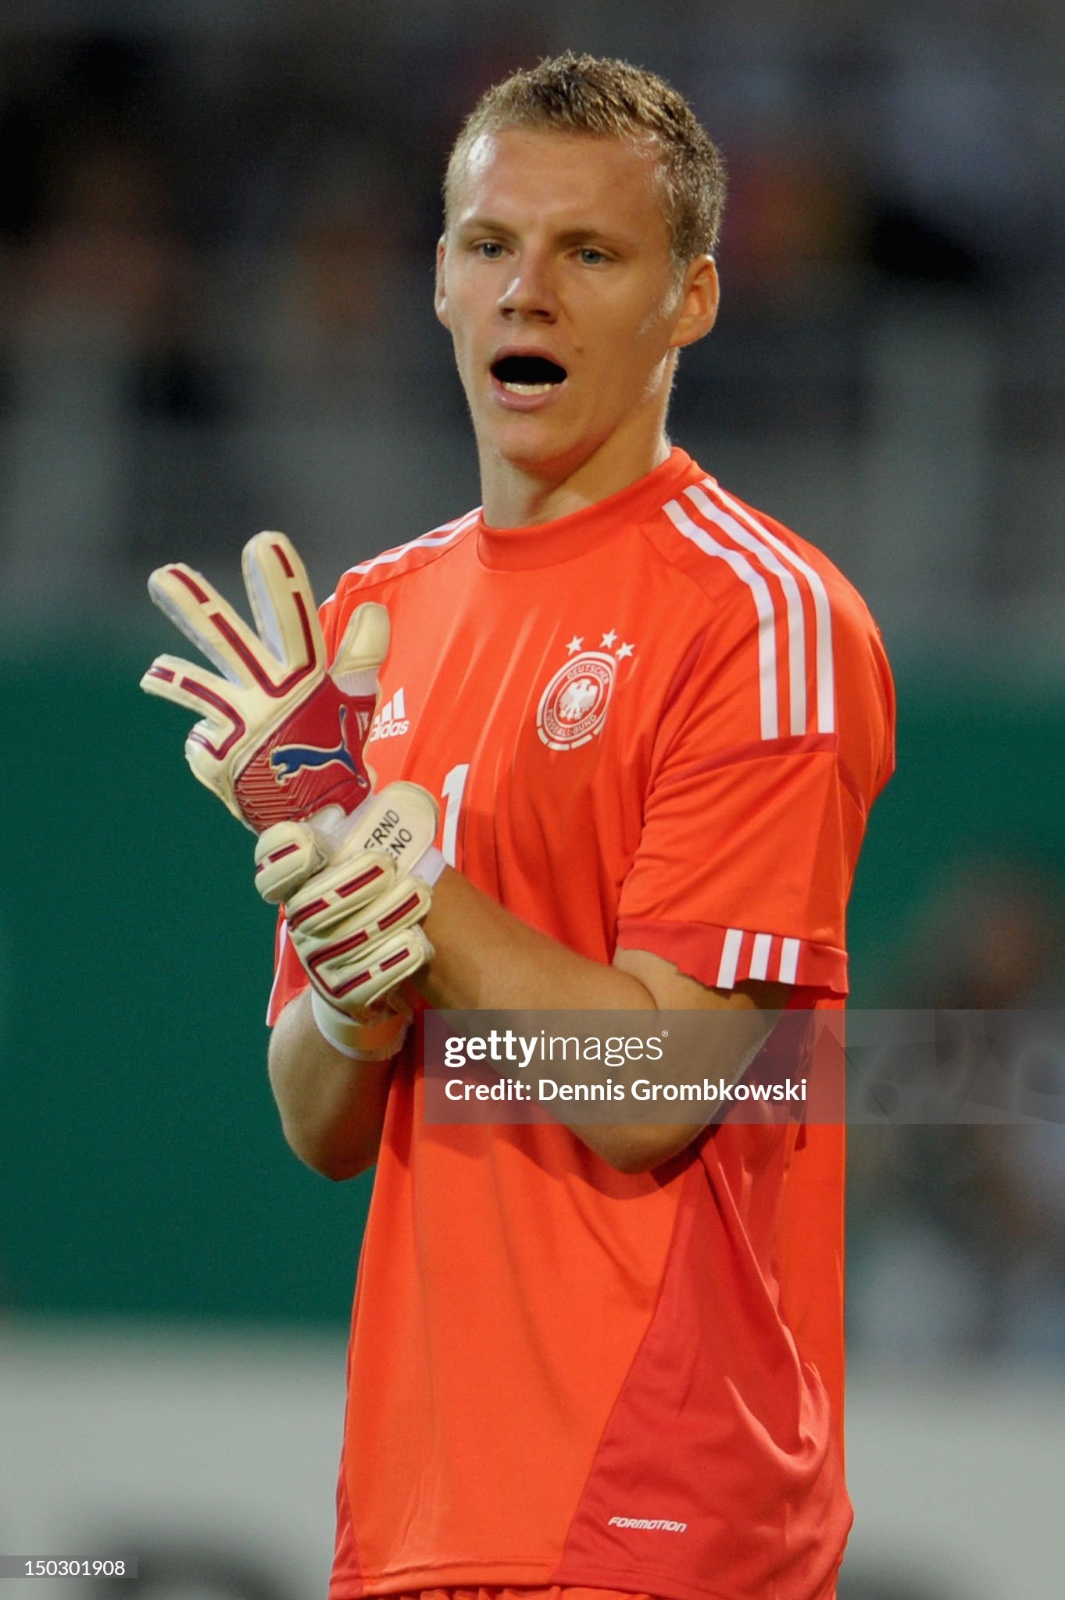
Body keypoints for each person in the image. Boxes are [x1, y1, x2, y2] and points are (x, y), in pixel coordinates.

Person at [149, 53, 895, 1600]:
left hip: (658, 1518)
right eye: (491, 245)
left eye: (590, 254)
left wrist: (409, 901)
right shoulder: (371, 620)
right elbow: (316, 1121)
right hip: (411, 1523)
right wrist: (355, 997)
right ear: (435, 277)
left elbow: (661, 1089)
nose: (526, 292)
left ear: (689, 300)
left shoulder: (765, 619)